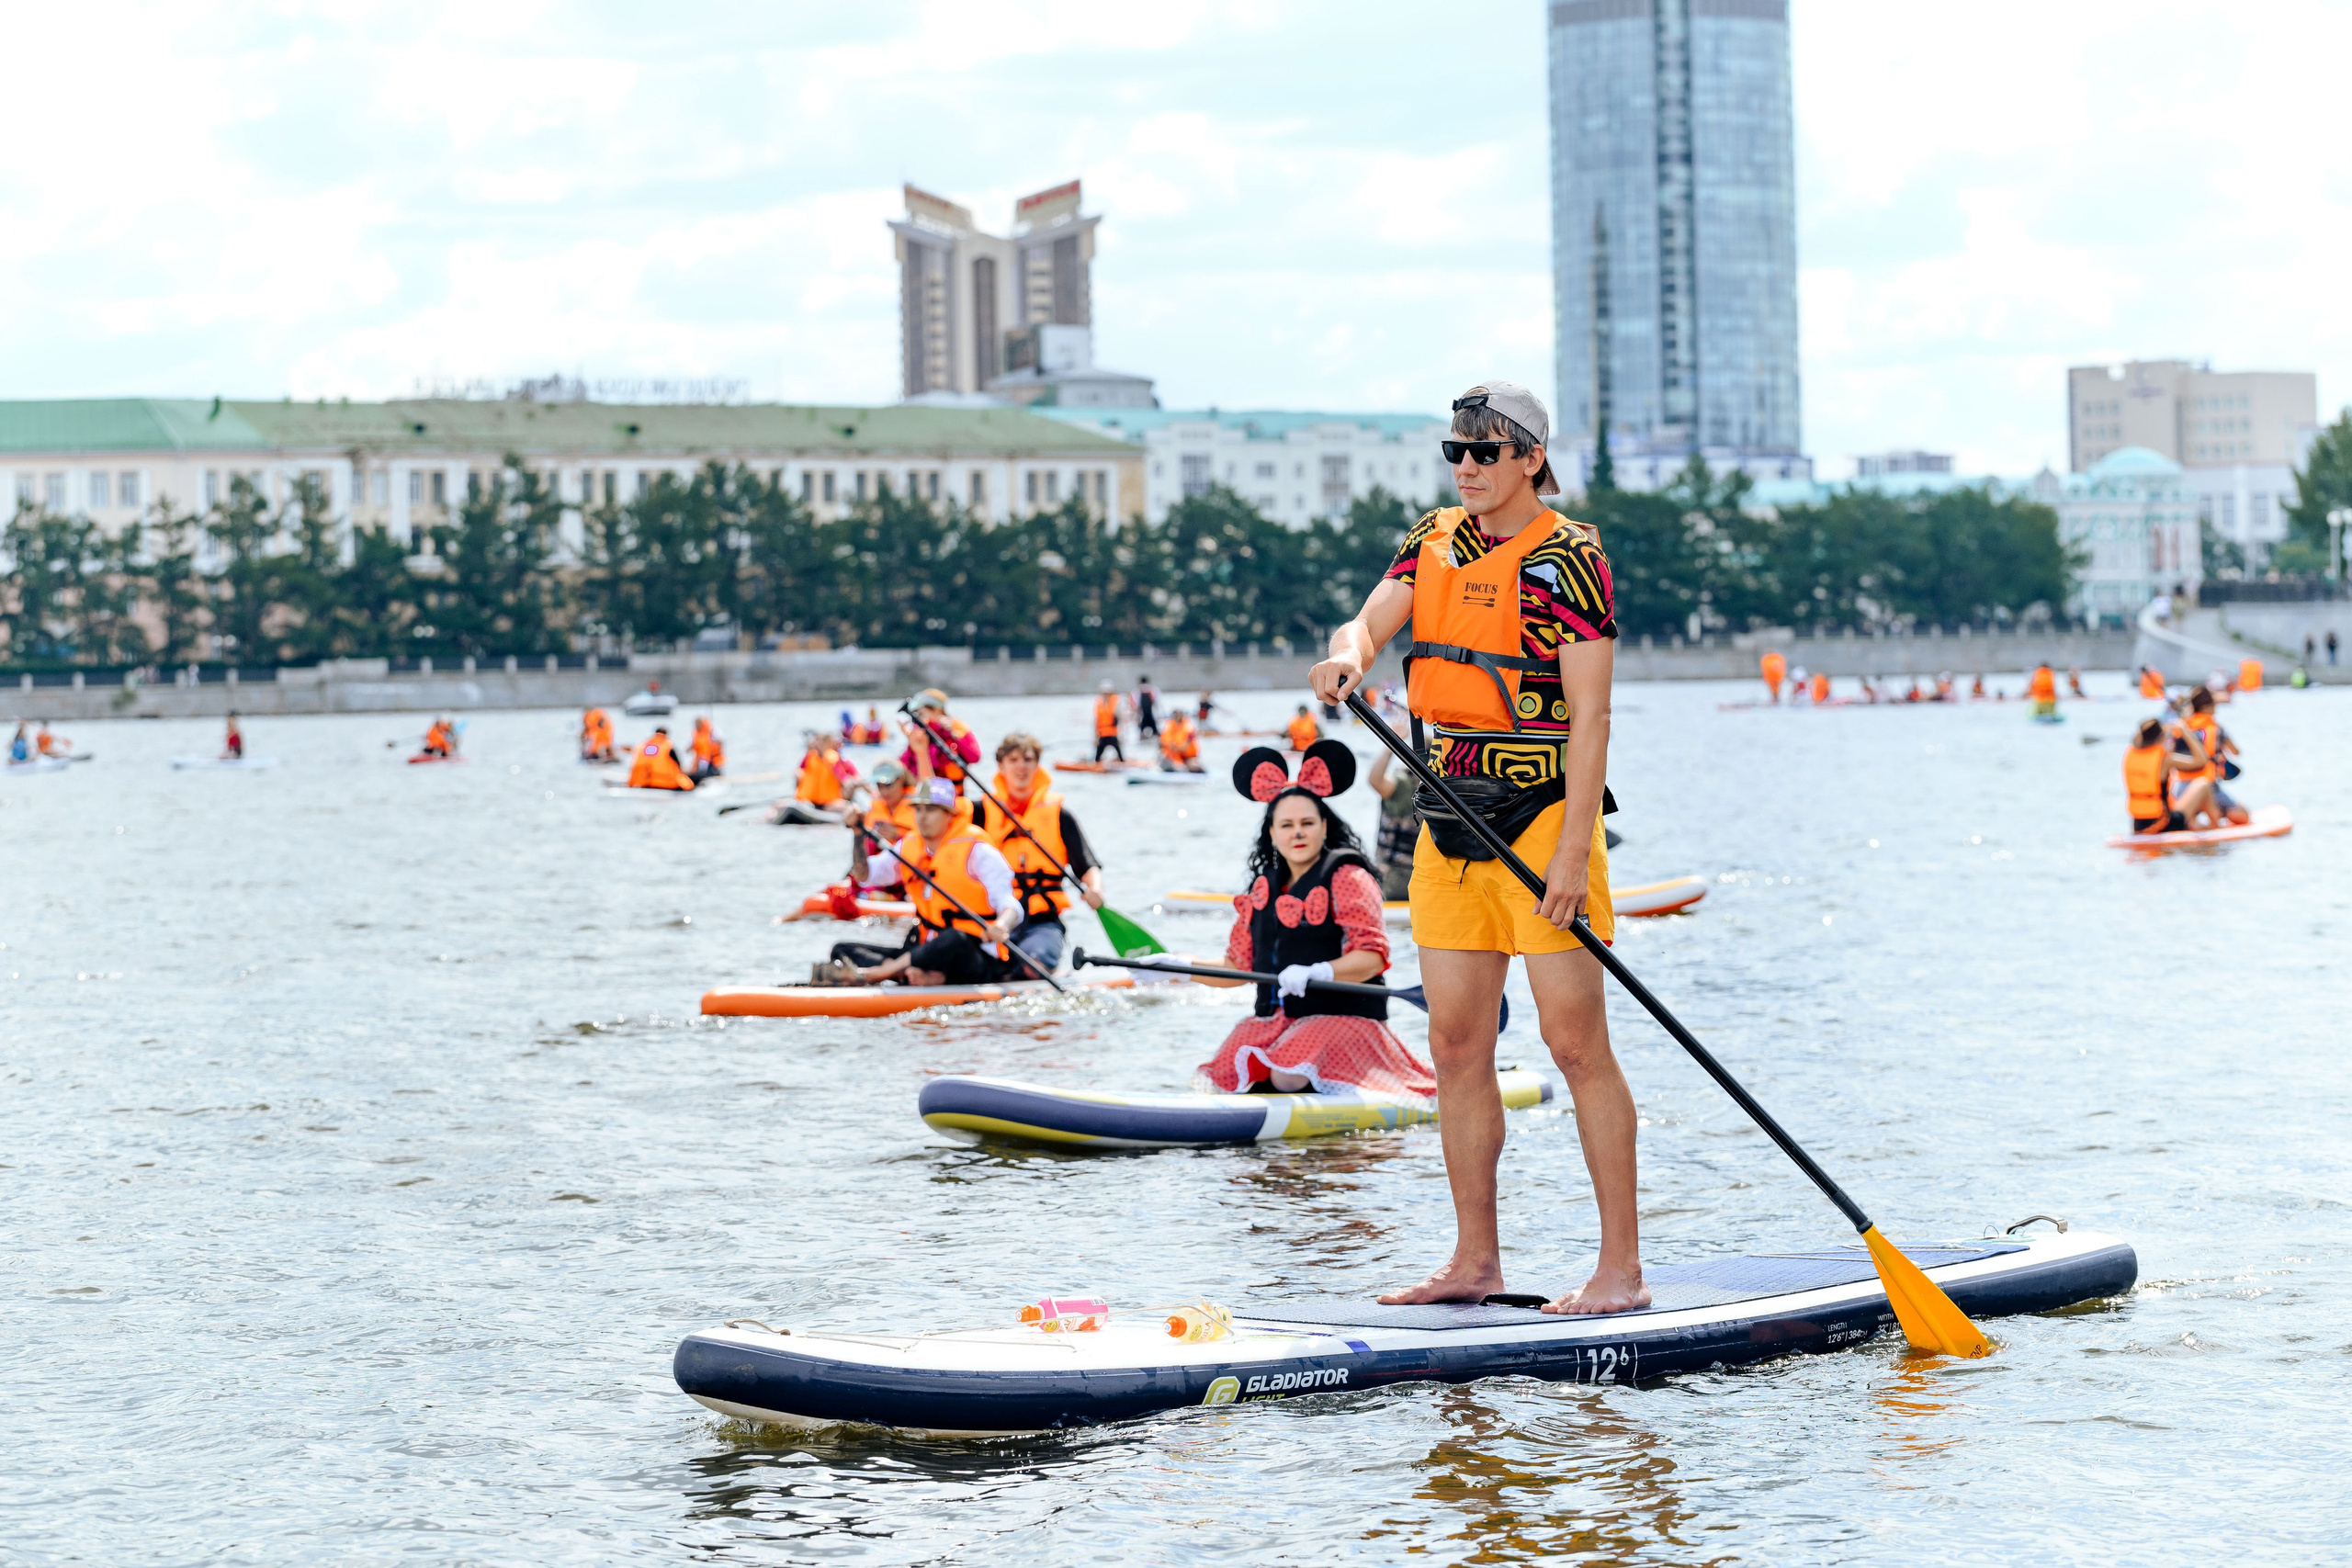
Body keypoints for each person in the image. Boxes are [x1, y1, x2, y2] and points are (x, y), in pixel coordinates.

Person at [1307, 378, 1640, 1315]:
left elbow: (1591, 719)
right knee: (1455, 1044)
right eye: (1456, 452)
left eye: (1485, 453)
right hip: (1448, 821)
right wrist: (1350, 652)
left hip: (1539, 821)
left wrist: (1574, 858)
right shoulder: (1431, 537)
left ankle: (1619, 1269)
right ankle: (1473, 1263)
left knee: (1575, 1047)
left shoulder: (1570, 562)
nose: (1466, 468)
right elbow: (1370, 617)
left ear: (1530, 457)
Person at [1187, 743, 1435, 1101]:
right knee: (1224, 1069)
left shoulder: (1348, 876)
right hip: (1279, 1023)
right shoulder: (1263, 890)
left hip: (1346, 1021)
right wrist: (1176, 967)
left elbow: (1372, 957)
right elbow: (1236, 966)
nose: (1297, 833)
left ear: (1324, 826)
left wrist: (1320, 972)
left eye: (1307, 823)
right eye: (1286, 825)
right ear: (1271, 833)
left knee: (1286, 1073)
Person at [825, 780, 1023, 987]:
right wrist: (858, 834)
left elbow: (1010, 905)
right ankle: (911, 974)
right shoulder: (910, 846)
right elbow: (865, 875)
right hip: (924, 950)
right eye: (918, 809)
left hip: (972, 955)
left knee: (953, 939)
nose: (922, 817)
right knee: (841, 951)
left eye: (931, 810)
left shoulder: (978, 851)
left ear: (950, 815)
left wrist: (1002, 924)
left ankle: (882, 973)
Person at [975, 732, 1105, 976]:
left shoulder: (1060, 815)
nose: (1021, 766)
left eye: (1028, 759)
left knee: (1032, 968)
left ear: (1037, 765)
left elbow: (1086, 865)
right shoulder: (980, 812)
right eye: (1013, 760)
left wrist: (1096, 889)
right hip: (993, 918)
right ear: (1000, 766)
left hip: (1042, 920)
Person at [2125, 716, 2211, 834]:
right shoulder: (2164, 760)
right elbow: (2202, 761)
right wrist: (2184, 731)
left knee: (2177, 804)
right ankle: (2216, 826)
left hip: (2138, 825)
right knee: (2203, 784)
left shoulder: (2131, 754)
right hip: (2162, 824)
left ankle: (2196, 825)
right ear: (2160, 738)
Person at [2177, 687, 2249, 825]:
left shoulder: (2181, 728)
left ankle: (2196, 819)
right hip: (2209, 788)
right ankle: (2218, 814)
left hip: (2182, 788)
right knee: (2244, 816)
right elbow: (2236, 752)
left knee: (2192, 822)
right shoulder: (2216, 729)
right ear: (2208, 706)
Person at [1366, 747, 1421, 901]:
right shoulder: (1446, 787)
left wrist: (1389, 748)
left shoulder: (1404, 783)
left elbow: (1375, 780)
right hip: (1419, 875)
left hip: (1396, 875)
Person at [626, 726, 693, 790]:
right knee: (688, 782)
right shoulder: (668, 747)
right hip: (666, 784)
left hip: (644, 783)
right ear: (666, 735)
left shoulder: (641, 746)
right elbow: (679, 766)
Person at [1158, 708, 1203, 772]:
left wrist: (1175, 747)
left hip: (1188, 757)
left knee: (1194, 766)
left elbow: (1185, 747)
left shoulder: (1188, 728)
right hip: (1173, 758)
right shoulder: (1170, 726)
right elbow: (1161, 743)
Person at [1092, 681, 1125, 762]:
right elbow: (1096, 721)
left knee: (1120, 755)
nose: (1106, 695)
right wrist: (1095, 737)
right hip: (1102, 734)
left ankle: (1122, 762)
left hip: (1113, 734)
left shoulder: (1116, 703)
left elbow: (1121, 720)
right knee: (1097, 757)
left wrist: (1122, 736)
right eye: (1104, 693)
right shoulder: (1099, 703)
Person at [689, 716, 725, 781]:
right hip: (701, 762)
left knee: (710, 775)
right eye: (696, 724)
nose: (697, 726)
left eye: (698, 724)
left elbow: (721, 741)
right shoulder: (695, 734)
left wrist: (712, 745)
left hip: (713, 761)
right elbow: (689, 748)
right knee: (697, 775)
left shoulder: (713, 731)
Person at [1134, 674, 1161, 740]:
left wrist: (1137, 717)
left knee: (1142, 728)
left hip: (1144, 714)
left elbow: (1137, 705)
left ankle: (1143, 735)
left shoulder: (1137, 691)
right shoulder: (1153, 690)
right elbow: (1157, 703)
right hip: (1150, 713)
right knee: (1154, 729)